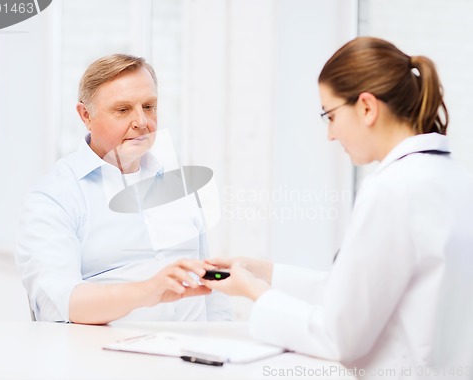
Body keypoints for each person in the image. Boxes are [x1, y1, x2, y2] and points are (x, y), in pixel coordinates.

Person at [202, 37, 473, 377]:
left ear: (366, 107)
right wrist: (263, 272)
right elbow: (362, 294)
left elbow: (339, 337)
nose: (330, 134)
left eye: (330, 116)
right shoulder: (455, 178)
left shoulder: (391, 190)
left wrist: (253, 292)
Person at [15, 54, 231, 324]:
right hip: (106, 361)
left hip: (195, 357)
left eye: (149, 106)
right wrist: (149, 290)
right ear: (86, 115)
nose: (142, 121)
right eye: (123, 110)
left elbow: (212, 293)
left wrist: (225, 343)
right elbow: (58, 304)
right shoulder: (55, 196)